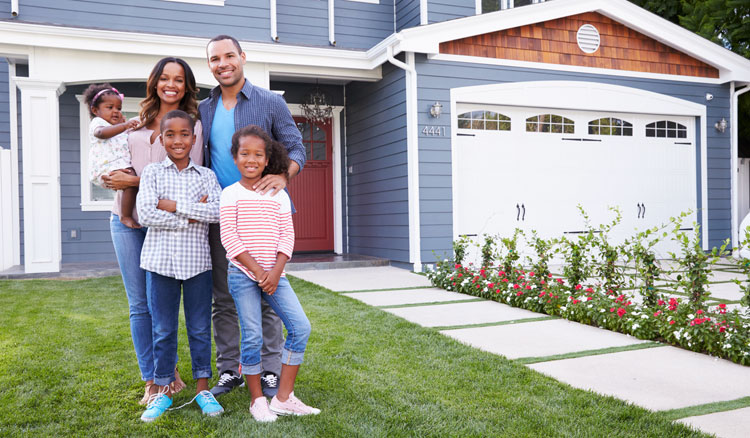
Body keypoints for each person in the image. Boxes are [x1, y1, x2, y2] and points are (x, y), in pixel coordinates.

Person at [199, 34, 306, 397]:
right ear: (210, 65)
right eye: (215, 59)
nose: (223, 63)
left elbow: (296, 147)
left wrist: (283, 174)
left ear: (242, 57)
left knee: (269, 294)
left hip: (266, 215)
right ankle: (230, 370)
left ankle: (271, 370)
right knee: (224, 296)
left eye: (229, 55)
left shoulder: (270, 102)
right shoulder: (204, 108)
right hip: (225, 215)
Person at [102, 57, 203, 405]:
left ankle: (167, 370)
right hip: (126, 221)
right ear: (155, 82)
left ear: (186, 86)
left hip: (166, 226)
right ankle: (154, 378)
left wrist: (132, 179)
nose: (170, 84)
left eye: (178, 79)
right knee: (139, 305)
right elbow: (114, 164)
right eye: (164, 78)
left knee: (164, 304)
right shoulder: (134, 123)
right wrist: (113, 177)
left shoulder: (193, 127)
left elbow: (187, 182)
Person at [220, 125, 318, 421]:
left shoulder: (279, 194)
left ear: (267, 159)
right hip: (242, 274)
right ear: (234, 158)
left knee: (300, 328)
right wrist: (259, 272)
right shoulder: (230, 194)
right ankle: (257, 400)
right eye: (244, 153)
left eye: (258, 154)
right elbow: (230, 239)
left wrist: (275, 272)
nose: (251, 159)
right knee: (252, 336)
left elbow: (286, 236)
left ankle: (284, 398)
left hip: (276, 275)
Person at [137, 110, 224, 422]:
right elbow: (146, 214)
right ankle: (162, 390)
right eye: (170, 135)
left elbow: (216, 212)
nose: (177, 140)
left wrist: (173, 207)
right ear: (162, 139)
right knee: (162, 329)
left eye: (184, 134)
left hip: (197, 263)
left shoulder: (207, 177)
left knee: (200, 328)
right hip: (160, 263)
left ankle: (203, 389)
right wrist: (191, 214)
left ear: (194, 138)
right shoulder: (151, 174)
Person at [83, 83, 140, 228]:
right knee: (130, 181)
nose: (115, 111)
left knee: (130, 182)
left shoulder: (117, 128)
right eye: (110, 107)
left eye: (119, 108)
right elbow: (101, 133)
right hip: (105, 167)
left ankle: (126, 213)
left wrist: (124, 127)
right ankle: (125, 216)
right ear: (95, 110)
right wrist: (124, 125)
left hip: (117, 165)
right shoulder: (98, 123)